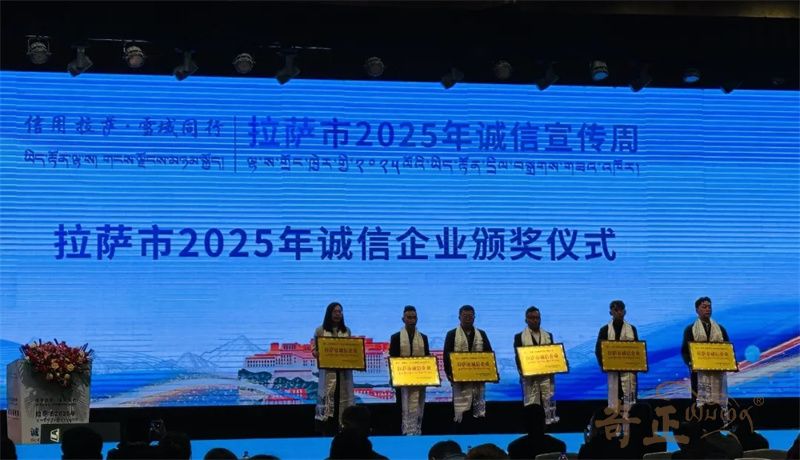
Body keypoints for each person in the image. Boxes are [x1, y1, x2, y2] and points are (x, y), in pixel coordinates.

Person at [443, 305, 493, 432]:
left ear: (474, 317)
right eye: (465, 316)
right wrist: (450, 375)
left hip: (477, 382)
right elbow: (446, 357)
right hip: (459, 382)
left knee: (476, 417)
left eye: (470, 316)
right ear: (459, 317)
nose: (467, 318)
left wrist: (490, 373)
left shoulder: (481, 334)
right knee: (461, 415)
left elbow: (488, 355)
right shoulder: (452, 334)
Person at [313, 301, 355, 436]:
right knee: (329, 400)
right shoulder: (320, 330)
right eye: (335, 311)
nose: (338, 314)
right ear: (329, 313)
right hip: (328, 373)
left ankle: (343, 430)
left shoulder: (346, 331)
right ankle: (328, 431)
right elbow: (314, 349)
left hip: (343, 374)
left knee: (343, 400)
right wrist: (317, 353)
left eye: (340, 312)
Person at [681, 296, 731, 407]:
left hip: (718, 373)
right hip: (698, 373)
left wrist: (731, 362)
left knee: (718, 403)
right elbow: (685, 351)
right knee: (699, 404)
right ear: (697, 310)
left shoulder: (720, 329)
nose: (708, 309)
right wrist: (690, 363)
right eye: (704, 307)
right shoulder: (690, 329)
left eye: (709, 307)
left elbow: (728, 350)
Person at [389, 305, 431, 435]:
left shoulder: (423, 337)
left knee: (418, 407)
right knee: (401, 408)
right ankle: (404, 434)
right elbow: (393, 359)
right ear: (403, 319)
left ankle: (416, 432)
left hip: (419, 381)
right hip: (402, 382)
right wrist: (393, 377)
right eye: (409, 317)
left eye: (414, 317)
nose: (412, 320)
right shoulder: (396, 337)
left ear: (417, 319)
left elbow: (427, 358)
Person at [595, 300, 639, 412]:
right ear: (611, 312)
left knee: (630, 403)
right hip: (613, 372)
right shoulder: (605, 330)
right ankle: (615, 422)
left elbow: (637, 350)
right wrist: (604, 366)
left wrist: (637, 365)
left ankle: (630, 421)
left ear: (625, 312)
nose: (619, 312)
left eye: (621, 310)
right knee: (615, 404)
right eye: (616, 310)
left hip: (628, 373)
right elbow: (598, 350)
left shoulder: (632, 329)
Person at [514, 306, 555, 409]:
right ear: (526, 320)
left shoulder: (548, 336)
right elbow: (518, 358)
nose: (535, 320)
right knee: (531, 409)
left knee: (547, 408)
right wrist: (523, 372)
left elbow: (554, 355)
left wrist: (561, 363)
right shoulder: (519, 337)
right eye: (531, 318)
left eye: (537, 317)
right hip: (529, 379)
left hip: (546, 378)